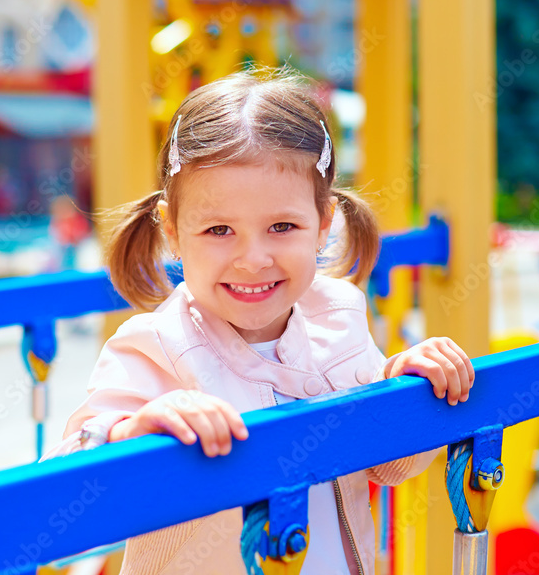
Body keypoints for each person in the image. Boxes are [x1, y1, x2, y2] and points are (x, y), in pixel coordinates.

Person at [43, 67, 475, 575]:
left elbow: (389, 465)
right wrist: (130, 432)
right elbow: (64, 491)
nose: (253, 259)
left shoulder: (338, 315)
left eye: (282, 226)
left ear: (324, 225)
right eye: (219, 229)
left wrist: (404, 387)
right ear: (173, 232)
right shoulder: (154, 345)